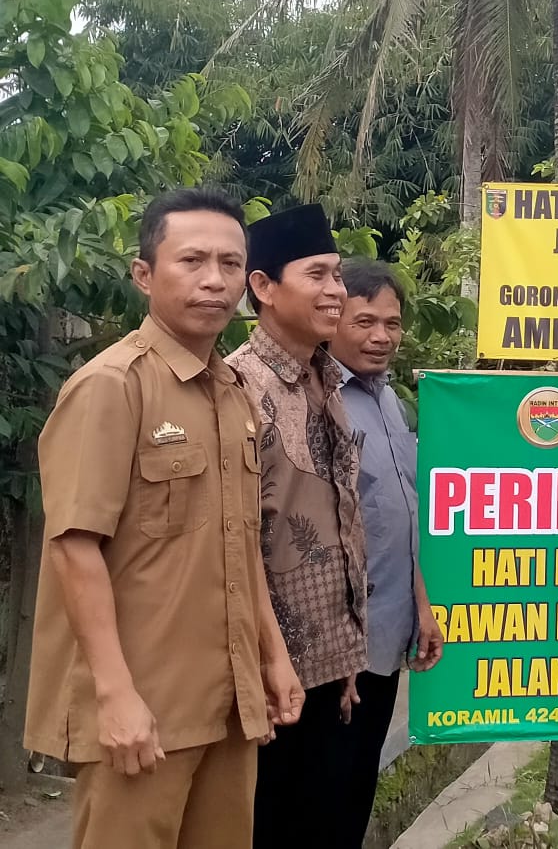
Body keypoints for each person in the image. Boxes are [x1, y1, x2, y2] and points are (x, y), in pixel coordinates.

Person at [25, 188, 304, 849]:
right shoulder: (111, 386)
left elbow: (241, 543)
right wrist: (115, 696)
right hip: (142, 707)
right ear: (144, 275)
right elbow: (74, 548)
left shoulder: (233, 394)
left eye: (230, 264)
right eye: (192, 260)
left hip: (227, 702)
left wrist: (272, 656)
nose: (214, 280)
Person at [227, 204, 369, 849]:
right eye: (317, 275)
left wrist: (347, 650)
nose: (336, 290)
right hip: (271, 678)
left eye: (337, 274)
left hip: (332, 665)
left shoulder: (326, 378)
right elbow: (236, 541)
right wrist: (270, 659)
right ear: (263, 286)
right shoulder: (237, 386)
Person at [327, 260, 444, 845]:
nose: (381, 336)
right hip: (336, 649)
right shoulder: (319, 400)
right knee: (318, 795)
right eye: (365, 321)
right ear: (331, 320)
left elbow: (406, 515)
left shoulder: (390, 401)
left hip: (389, 631)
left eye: (392, 324)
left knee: (357, 786)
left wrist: (422, 608)